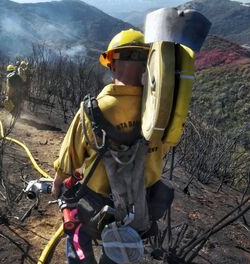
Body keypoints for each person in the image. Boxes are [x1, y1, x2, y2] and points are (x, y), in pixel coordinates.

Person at [51, 29, 174, 263]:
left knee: (75, 227)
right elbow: (164, 147)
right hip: (143, 204)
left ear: (112, 64)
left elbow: (69, 161)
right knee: (120, 251)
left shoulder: (94, 109)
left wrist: (58, 186)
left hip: (97, 205)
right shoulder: (162, 112)